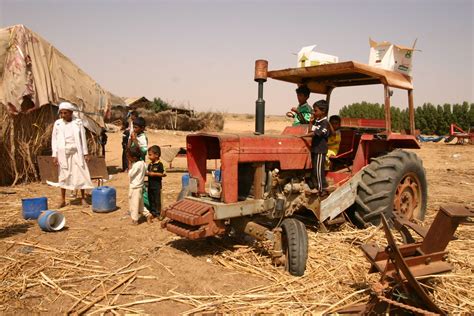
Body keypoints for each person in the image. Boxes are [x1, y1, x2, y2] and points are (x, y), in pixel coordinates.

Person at [48, 101, 94, 208]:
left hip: (77, 153)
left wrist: (85, 153)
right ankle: (63, 200)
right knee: (63, 175)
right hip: (63, 154)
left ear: (71, 113)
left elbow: (83, 139)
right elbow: (54, 140)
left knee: (81, 174)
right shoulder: (58, 123)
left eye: (65, 113)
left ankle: (83, 198)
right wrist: (54, 155)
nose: (63, 115)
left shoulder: (78, 123)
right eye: (61, 113)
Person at [307, 100, 331, 194]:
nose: (313, 112)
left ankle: (323, 189)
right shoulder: (317, 122)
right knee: (313, 169)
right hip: (314, 149)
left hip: (320, 150)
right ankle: (315, 185)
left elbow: (316, 133)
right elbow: (310, 131)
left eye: (315, 110)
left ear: (323, 111)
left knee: (318, 170)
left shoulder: (325, 123)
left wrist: (302, 136)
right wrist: (310, 122)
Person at [128, 147, 153, 224]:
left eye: (129, 157)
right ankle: (148, 214)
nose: (129, 159)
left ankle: (135, 220)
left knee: (134, 204)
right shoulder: (143, 163)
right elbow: (146, 172)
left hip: (135, 187)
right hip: (140, 187)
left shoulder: (136, 165)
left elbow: (130, 174)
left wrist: (130, 166)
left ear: (134, 157)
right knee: (140, 204)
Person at [146, 145, 167, 219]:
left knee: (157, 200)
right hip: (150, 185)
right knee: (151, 199)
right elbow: (148, 173)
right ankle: (153, 212)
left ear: (156, 155)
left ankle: (158, 213)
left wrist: (154, 174)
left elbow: (164, 174)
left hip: (157, 186)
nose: (149, 156)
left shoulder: (160, 164)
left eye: (150, 155)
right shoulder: (150, 164)